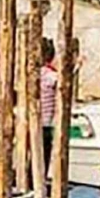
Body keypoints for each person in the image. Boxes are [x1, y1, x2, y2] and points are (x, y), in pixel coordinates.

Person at [39, 38, 59, 175]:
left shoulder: (36, 73)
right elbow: (63, 83)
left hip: (33, 121)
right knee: (44, 154)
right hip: (45, 122)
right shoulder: (49, 75)